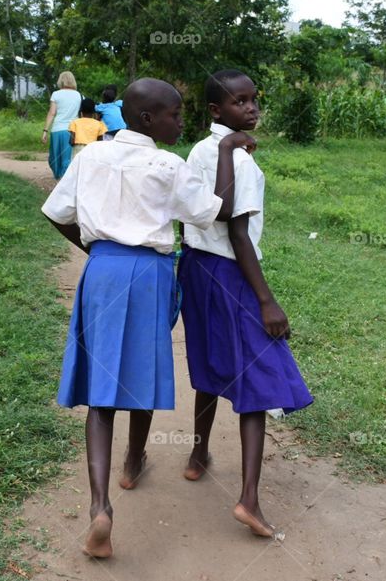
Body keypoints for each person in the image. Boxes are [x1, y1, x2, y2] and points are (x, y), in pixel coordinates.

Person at [41, 78, 253, 559]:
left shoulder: (91, 156)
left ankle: (100, 506)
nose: (180, 122)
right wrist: (227, 149)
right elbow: (217, 210)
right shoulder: (167, 165)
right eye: (174, 115)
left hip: (103, 270)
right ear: (146, 119)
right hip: (150, 273)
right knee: (139, 374)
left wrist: (95, 249)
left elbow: (55, 211)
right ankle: (133, 462)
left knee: (101, 393)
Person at [178, 69, 313, 539]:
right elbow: (237, 233)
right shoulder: (241, 162)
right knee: (257, 376)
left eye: (254, 100)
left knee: (209, 362)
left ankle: (198, 455)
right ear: (217, 110)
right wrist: (267, 301)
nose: (252, 108)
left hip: (195, 268)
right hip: (231, 274)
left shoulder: (199, 150)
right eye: (240, 102)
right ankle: (248, 500)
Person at [42, 71, 81, 179]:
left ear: (61, 80)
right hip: (73, 131)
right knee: (68, 158)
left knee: (54, 158)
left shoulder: (56, 94)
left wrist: (45, 131)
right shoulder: (79, 95)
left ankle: (59, 178)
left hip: (57, 130)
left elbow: (52, 113)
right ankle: (66, 180)